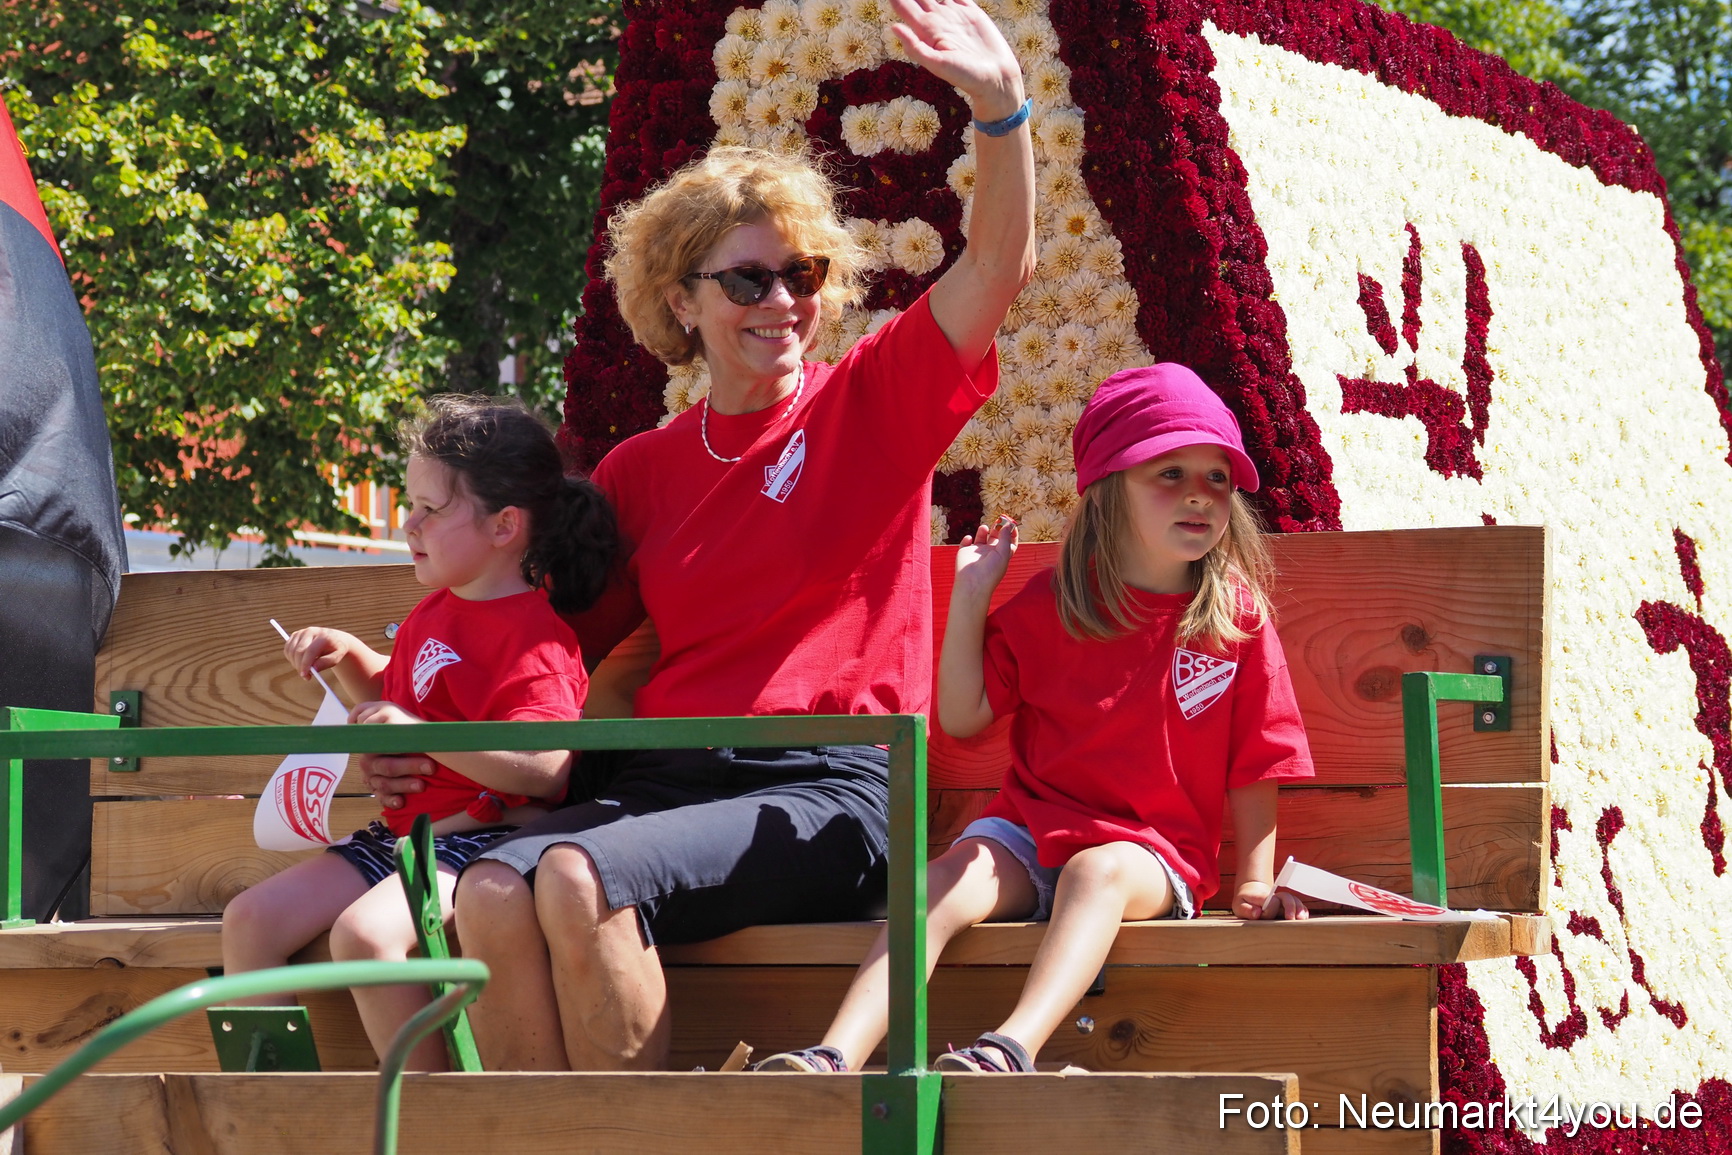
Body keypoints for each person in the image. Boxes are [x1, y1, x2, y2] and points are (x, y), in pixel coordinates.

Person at [362, 0, 1036, 1071]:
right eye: (745, 279)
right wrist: (404, 723)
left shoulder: (867, 404)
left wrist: (1002, 116)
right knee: (488, 889)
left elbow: (993, 270)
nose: (782, 301)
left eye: (801, 274)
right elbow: (528, 645)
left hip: (827, 789)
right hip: (661, 785)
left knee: (575, 878)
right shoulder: (641, 472)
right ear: (679, 298)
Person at [756, 363, 1316, 1074]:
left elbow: (1259, 758)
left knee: (1095, 871)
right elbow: (961, 717)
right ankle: (834, 1052)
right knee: (946, 875)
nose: (1200, 496)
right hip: (1030, 829)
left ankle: (1009, 1046)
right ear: (1109, 488)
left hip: (1151, 855)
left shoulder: (1231, 619)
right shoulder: (1056, 604)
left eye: (1216, 478)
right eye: (1169, 473)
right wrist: (971, 595)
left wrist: (1254, 881)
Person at [221, 396, 617, 1071]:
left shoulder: (536, 638)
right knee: (248, 921)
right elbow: (401, 699)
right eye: (411, 505)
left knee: (364, 937)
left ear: (505, 525)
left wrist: (422, 732)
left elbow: (544, 766)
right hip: (406, 841)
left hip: (482, 838)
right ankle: (272, 1118)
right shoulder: (433, 610)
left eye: (430, 509)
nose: (410, 523)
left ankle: (429, 1121)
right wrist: (348, 659)